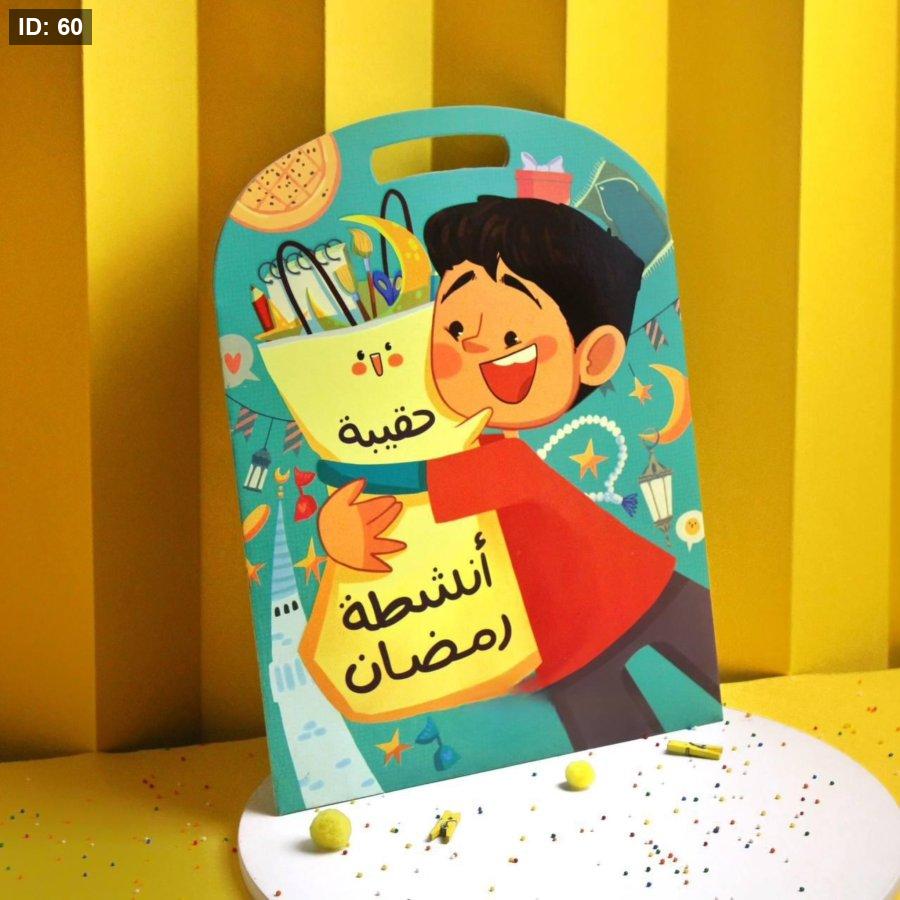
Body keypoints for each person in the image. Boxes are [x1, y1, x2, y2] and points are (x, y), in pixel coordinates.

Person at [317, 196, 719, 748]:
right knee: (616, 752)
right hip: (567, 645)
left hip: (639, 595)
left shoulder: (504, 462)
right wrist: (340, 534)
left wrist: (338, 468)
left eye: (511, 342)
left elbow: (417, 480)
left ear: (594, 357)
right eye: (454, 328)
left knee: (667, 716)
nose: (471, 348)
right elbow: (416, 516)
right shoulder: (472, 445)